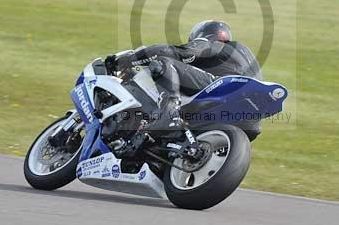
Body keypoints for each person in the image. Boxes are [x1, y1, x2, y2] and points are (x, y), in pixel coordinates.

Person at [106, 20, 263, 141]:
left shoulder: (212, 43)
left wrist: (128, 60)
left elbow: (175, 53)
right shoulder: (240, 56)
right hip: (249, 120)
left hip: (224, 87)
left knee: (164, 62)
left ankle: (168, 112)